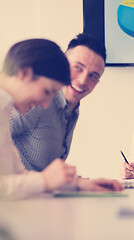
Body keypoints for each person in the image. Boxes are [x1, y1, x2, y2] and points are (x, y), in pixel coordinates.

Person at [0, 38, 123, 199]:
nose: (45, 104)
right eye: (46, 91)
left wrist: (76, 184)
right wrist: (44, 181)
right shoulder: (15, 110)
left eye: (93, 75)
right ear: (24, 74)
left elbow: (18, 174)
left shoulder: (6, 109)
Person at [10, 33, 106, 171]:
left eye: (93, 75)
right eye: (78, 67)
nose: (83, 80)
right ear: (63, 64)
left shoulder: (73, 110)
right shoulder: (38, 100)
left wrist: (75, 184)